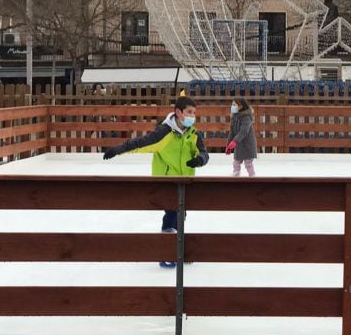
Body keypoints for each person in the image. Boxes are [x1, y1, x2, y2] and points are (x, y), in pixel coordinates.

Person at [102, 95, 209, 265]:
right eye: (189, 112)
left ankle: (179, 251)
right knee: (172, 214)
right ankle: (166, 253)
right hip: (166, 182)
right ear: (178, 112)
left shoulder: (193, 134)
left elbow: (203, 153)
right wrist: (118, 149)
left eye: (194, 113)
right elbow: (141, 143)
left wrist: (200, 160)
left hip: (186, 182)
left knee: (182, 215)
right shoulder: (164, 132)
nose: (192, 116)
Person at [225, 97, 257, 176]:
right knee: (236, 162)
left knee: (248, 163)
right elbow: (232, 132)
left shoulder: (246, 117)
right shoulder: (234, 117)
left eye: (234, 105)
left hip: (248, 144)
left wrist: (234, 141)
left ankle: (252, 176)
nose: (231, 106)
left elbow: (243, 131)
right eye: (232, 104)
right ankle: (236, 173)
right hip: (239, 144)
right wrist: (228, 145)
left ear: (240, 106)